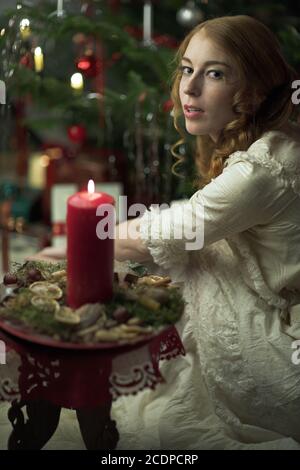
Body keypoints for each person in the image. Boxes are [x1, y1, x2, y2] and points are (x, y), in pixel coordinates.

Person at [28, 15, 300, 449]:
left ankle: (87, 373)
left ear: (255, 87)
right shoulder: (267, 139)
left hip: (284, 342)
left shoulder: (263, 168)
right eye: (187, 69)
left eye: (215, 74)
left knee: (187, 263)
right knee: (175, 251)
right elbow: (185, 216)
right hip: (272, 298)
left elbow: (176, 231)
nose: (188, 89)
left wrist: (69, 251)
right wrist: (81, 243)